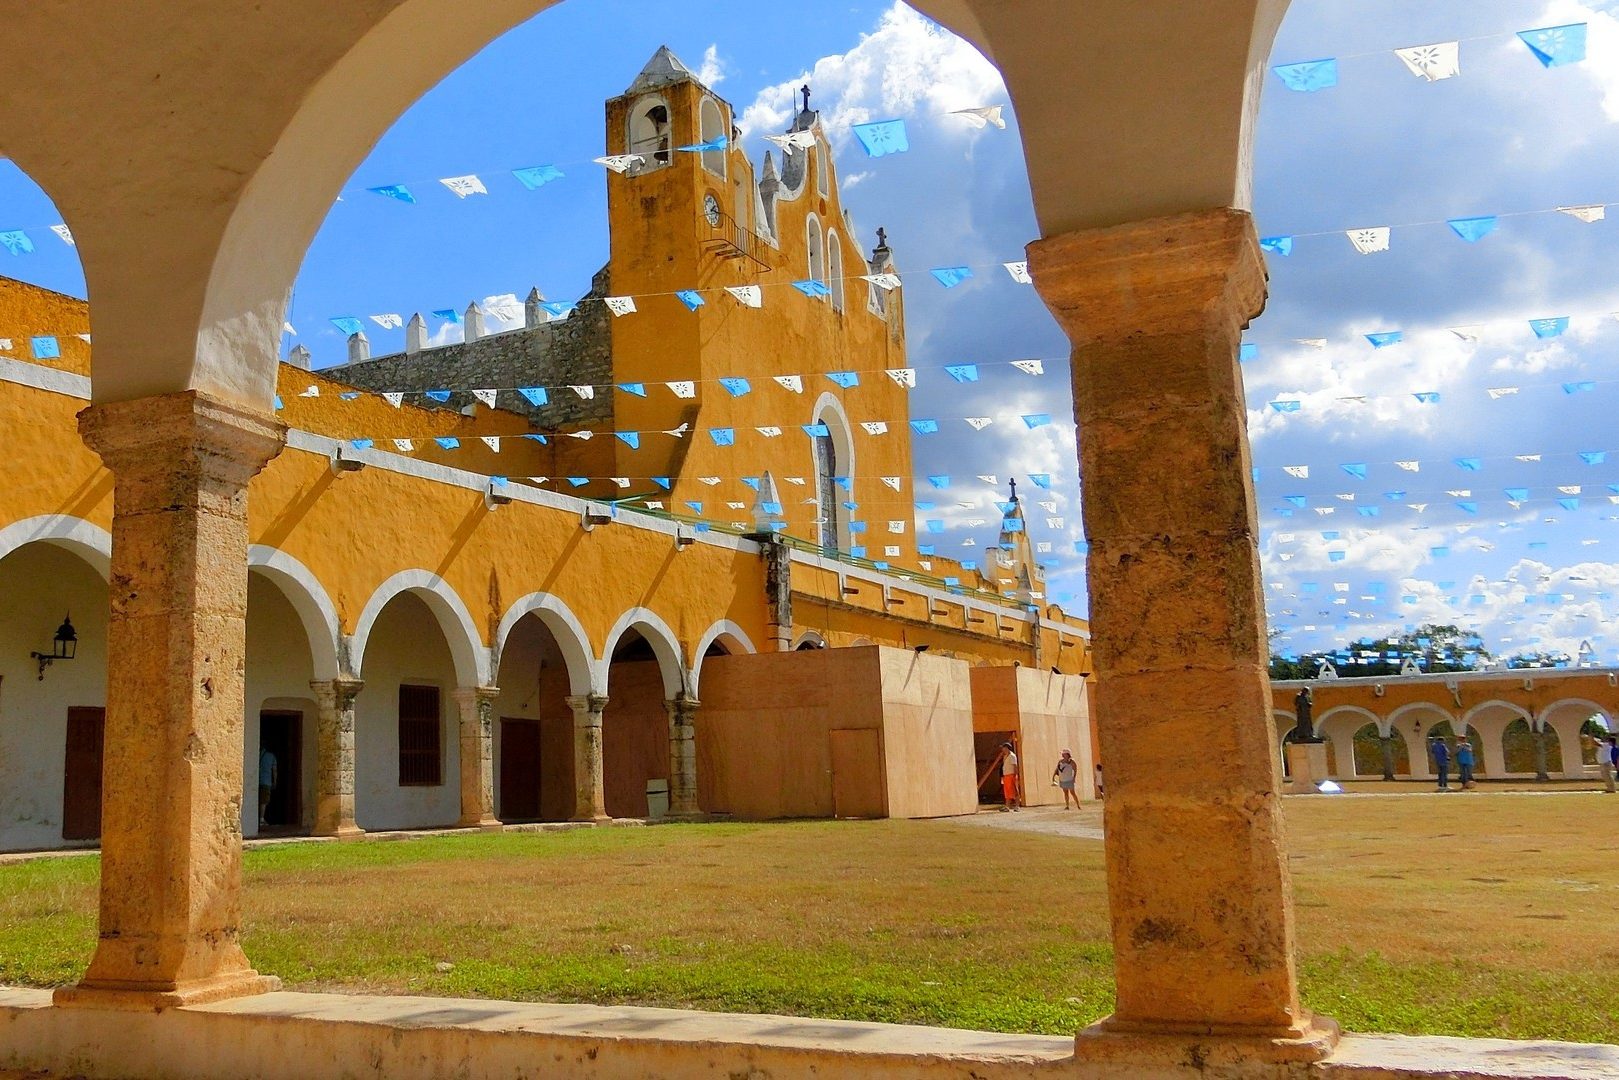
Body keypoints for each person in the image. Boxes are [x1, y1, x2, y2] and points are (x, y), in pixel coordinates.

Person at [995, 741, 1020, 812]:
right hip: (1006, 776)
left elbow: (1015, 766)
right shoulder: (1005, 756)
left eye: (1003, 748)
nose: (1002, 749)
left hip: (1012, 775)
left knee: (1015, 791)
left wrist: (1015, 776)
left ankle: (1017, 806)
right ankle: (1007, 806)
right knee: (1007, 792)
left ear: (1007, 748)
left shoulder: (1012, 756)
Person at [258, 745, 278, 828]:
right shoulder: (271, 756)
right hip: (266, 781)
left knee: (258, 800)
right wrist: (275, 781)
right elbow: (274, 770)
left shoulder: (258, 754)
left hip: (257, 780)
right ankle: (261, 819)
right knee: (264, 801)